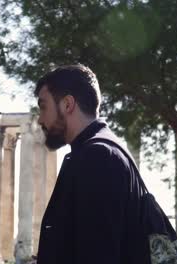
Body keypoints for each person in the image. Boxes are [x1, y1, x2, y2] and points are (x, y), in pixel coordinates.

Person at [35, 64, 150, 263]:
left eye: (43, 107)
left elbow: (97, 254)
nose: (39, 119)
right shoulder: (102, 151)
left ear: (67, 104)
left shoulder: (98, 157)